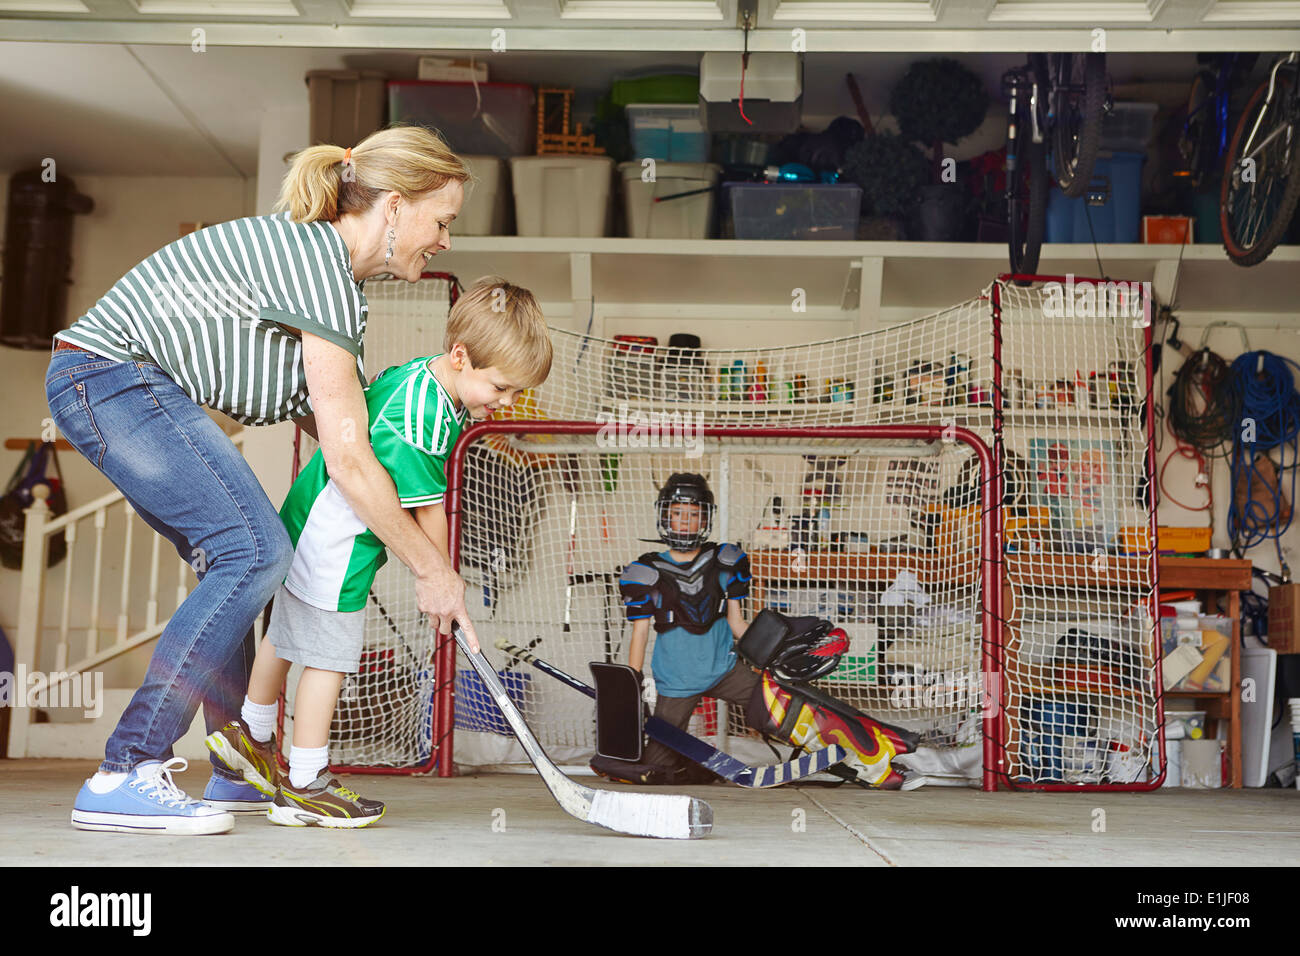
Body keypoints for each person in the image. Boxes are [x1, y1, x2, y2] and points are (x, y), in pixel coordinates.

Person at [50, 125, 485, 835]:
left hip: (121, 385)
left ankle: (238, 768)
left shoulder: (329, 279)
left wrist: (414, 526)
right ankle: (124, 770)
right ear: (397, 206)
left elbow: (354, 436)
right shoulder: (321, 269)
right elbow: (349, 460)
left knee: (240, 557)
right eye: (443, 221)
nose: (445, 240)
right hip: (111, 379)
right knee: (255, 550)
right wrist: (431, 569)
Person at [206, 277, 552, 827]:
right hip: (337, 545)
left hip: (302, 520)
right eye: (502, 388)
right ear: (461, 357)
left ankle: (251, 735)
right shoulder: (426, 418)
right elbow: (428, 511)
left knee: (286, 636)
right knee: (331, 657)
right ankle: (305, 781)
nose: (506, 404)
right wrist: (441, 580)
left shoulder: (422, 376)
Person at [593, 473, 755, 785]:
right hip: (677, 680)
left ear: (705, 519)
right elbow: (640, 633)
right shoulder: (645, 571)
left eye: (694, 515)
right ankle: (688, 765)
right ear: (665, 515)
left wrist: (773, 659)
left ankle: (839, 752)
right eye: (678, 513)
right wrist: (632, 681)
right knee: (655, 767)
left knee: (778, 709)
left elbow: (737, 623)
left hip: (725, 669)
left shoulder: (725, 562)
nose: (685, 521)